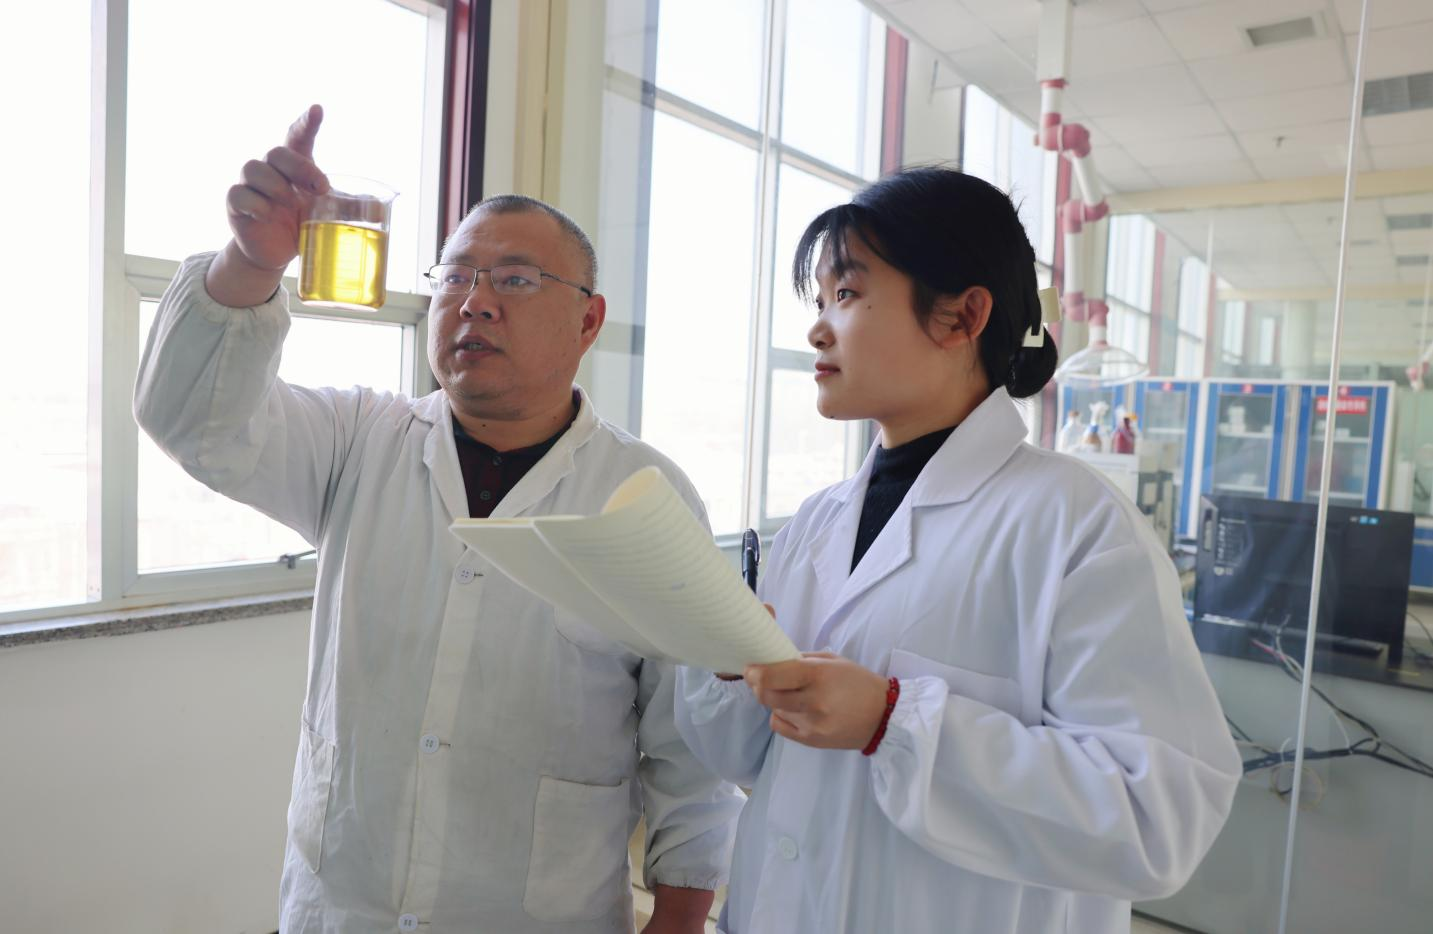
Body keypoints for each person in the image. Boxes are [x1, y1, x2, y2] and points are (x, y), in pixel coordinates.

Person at [134, 105, 740, 934]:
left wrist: (677, 918)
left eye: (515, 280)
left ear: (588, 320)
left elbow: (688, 746)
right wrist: (251, 262)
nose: (475, 303)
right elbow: (192, 421)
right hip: (341, 907)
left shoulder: (642, 491)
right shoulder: (359, 439)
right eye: (454, 278)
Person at [673, 166, 1241, 933]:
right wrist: (728, 663)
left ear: (961, 315)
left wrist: (893, 722)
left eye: (847, 294)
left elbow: (1155, 819)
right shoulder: (815, 522)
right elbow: (745, 758)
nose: (817, 330)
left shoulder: (1076, 526)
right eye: (819, 301)